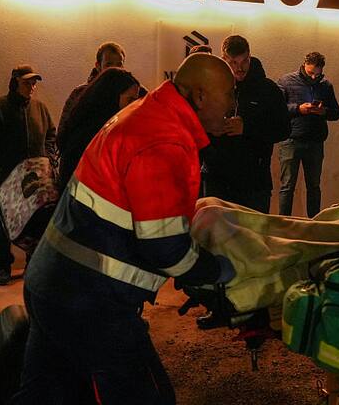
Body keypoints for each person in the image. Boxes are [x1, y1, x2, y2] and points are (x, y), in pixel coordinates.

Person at [14, 53, 237, 405]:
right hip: (91, 302)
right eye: (229, 94)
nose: (233, 106)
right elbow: (164, 247)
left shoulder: (147, 115)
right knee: (147, 396)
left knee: (46, 394)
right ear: (200, 96)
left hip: (52, 283)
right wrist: (215, 270)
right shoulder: (164, 140)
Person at [0, 65, 57, 285]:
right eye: (27, 83)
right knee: (4, 224)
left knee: (37, 220)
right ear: (14, 82)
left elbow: (51, 136)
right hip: (7, 180)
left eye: (34, 83)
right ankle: (3, 267)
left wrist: (49, 160)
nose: (32, 87)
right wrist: (4, 168)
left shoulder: (40, 108)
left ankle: (32, 262)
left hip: (37, 181)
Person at [200, 35, 290, 213]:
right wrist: (210, 128)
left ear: (250, 57)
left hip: (253, 184)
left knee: (254, 237)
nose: (240, 68)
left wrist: (247, 127)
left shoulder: (268, 90)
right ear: (223, 59)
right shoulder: (209, 88)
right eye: (233, 62)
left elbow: (283, 129)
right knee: (216, 238)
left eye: (244, 61)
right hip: (216, 181)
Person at [277, 52, 339, 218]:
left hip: (315, 141)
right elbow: (276, 109)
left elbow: (336, 113)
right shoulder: (286, 81)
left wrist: (323, 111)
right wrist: (299, 109)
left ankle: (314, 222)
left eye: (317, 74)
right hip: (291, 140)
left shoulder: (325, 85)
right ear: (304, 65)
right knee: (287, 186)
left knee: (314, 186)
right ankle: (283, 223)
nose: (314, 77)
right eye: (311, 72)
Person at [56, 67, 140, 190]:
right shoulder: (94, 132)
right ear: (112, 97)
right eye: (130, 100)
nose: (134, 106)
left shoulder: (86, 122)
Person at [58, 41, 128, 139]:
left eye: (119, 64)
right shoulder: (80, 93)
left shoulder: (130, 94)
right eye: (109, 65)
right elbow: (64, 133)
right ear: (98, 66)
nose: (115, 69)